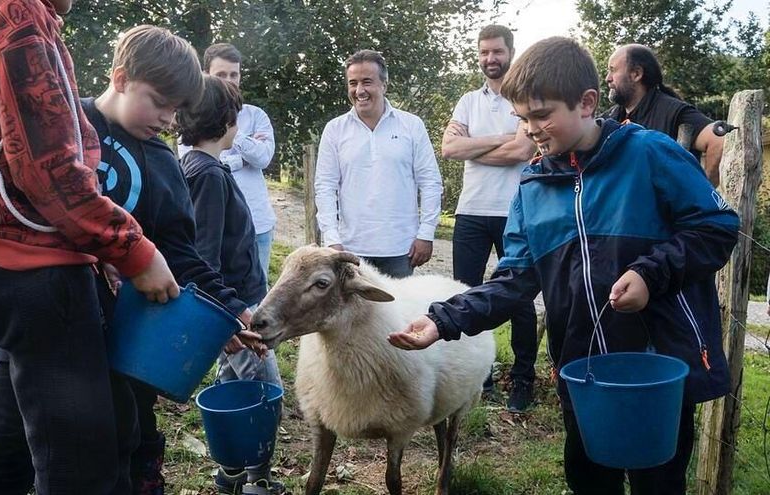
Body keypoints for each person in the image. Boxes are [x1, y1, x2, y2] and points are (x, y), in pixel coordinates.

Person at [389, 37, 739, 495]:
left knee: (660, 481)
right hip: (583, 371)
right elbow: (514, 280)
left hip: (656, 367)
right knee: (590, 480)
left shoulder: (649, 153)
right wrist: (443, 320)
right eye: (522, 119)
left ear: (587, 103)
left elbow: (716, 227)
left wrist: (650, 274)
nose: (531, 129)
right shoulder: (532, 188)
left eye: (541, 114)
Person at [0, 1, 180, 493]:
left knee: (17, 443)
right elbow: (49, 171)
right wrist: (134, 251)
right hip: (36, 274)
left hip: (8, 265)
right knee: (81, 467)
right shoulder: (13, 16)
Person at [82, 25, 263, 495]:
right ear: (121, 78)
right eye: (159, 102)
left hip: (132, 331)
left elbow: (183, 253)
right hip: (62, 318)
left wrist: (229, 310)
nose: (167, 119)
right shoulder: (67, 126)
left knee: (131, 424)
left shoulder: (164, 165)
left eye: (176, 110)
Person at [179, 76, 286, 495]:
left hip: (236, 304)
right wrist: (226, 321)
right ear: (226, 120)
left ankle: (231, 475)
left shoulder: (205, 166)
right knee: (265, 392)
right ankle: (255, 479)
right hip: (235, 310)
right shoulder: (206, 174)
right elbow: (204, 257)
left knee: (231, 386)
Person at [440, 24, 538, 412]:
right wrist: (503, 138)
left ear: (510, 52)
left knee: (520, 298)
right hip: (471, 210)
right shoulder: (467, 101)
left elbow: (522, 151)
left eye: (497, 51)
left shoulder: (523, 98)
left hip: (515, 209)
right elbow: (449, 148)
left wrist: (474, 147)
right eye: (484, 52)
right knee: (464, 293)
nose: (490, 59)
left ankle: (523, 379)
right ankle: (478, 376)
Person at [314, 49, 442, 278]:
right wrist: (332, 240)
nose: (359, 90)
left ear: (384, 84)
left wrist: (426, 233)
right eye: (353, 83)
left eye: (367, 82)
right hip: (350, 250)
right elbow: (324, 186)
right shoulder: (335, 129)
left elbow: (430, 182)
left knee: (398, 314)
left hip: (400, 250)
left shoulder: (411, 126)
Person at [179, 43, 277, 283]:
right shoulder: (194, 116)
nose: (229, 80)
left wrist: (235, 130)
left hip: (258, 221)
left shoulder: (256, 115)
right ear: (205, 75)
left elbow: (263, 158)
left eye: (234, 74)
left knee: (257, 289)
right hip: (215, 224)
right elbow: (193, 158)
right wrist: (242, 157)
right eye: (221, 74)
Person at [602, 44, 723, 186]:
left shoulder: (673, 111)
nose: (607, 78)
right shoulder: (610, 118)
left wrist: (705, 194)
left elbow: (718, 141)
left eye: (613, 70)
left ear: (636, 74)